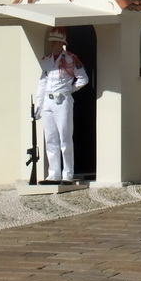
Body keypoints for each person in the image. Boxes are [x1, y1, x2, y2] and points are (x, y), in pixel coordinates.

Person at [34, 28, 89, 185]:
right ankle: (54, 174)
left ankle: (67, 174)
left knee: (65, 138)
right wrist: (39, 105)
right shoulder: (46, 60)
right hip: (48, 101)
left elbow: (83, 78)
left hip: (62, 101)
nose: (53, 45)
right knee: (50, 138)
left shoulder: (71, 59)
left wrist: (69, 90)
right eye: (52, 42)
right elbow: (43, 82)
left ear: (62, 43)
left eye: (56, 42)